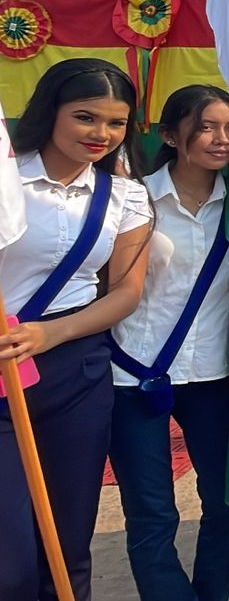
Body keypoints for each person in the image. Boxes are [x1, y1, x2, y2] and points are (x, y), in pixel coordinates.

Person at [0, 59, 153, 601]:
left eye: (116, 123)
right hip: (1, 371)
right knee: (9, 557)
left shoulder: (127, 197)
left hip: (75, 372)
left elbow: (125, 294)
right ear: (50, 110)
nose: (101, 134)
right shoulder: (5, 181)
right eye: (85, 117)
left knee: (67, 545)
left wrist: (51, 336)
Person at [106, 85, 229, 600]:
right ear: (169, 134)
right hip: (133, 375)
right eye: (206, 126)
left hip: (214, 374)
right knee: (152, 512)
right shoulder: (131, 199)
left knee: (227, 506)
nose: (220, 139)